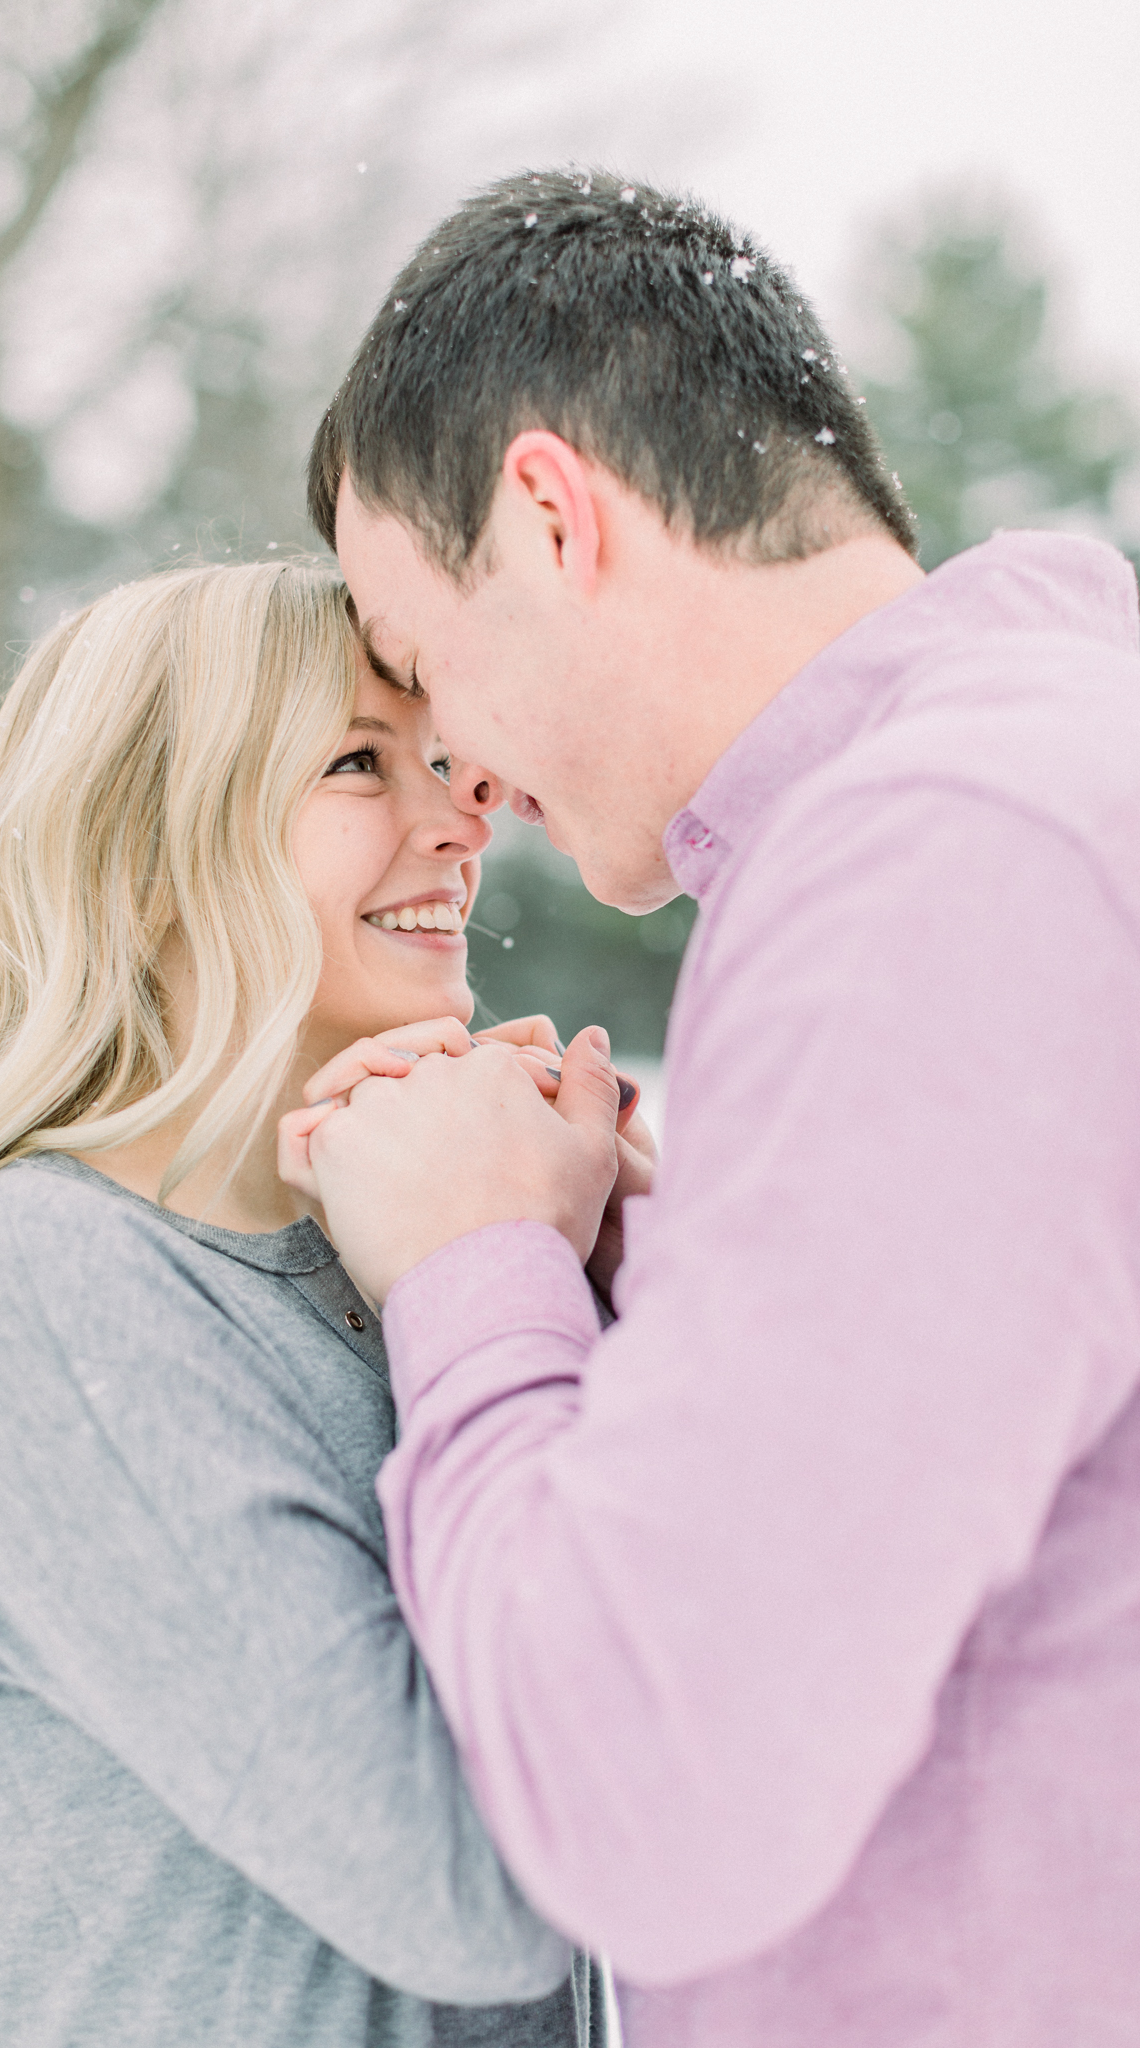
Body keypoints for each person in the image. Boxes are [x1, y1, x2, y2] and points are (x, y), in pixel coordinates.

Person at [283, 168, 1140, 2046]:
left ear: (546, 514)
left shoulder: (942, 859)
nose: (470, 789)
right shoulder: (1032, 796)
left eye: (423, 665)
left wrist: (473, 1267)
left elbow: (653, 1792)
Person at [0, 560, 613, 2046]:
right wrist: (499, 1284)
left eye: (448, 761)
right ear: (145, 856)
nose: (465, 813)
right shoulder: (46, 1285)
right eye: (358, 760)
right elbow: (477, 1894)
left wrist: (593, 1280)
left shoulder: (407, 1269)